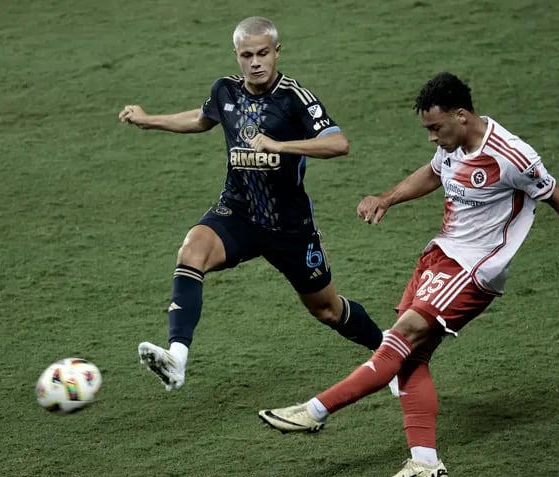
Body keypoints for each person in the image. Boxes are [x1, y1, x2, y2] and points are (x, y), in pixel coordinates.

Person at [258, 72, 559, 477]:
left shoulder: (512, 155)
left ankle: (314, 411)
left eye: (436, 127)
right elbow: (434, 173)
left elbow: (558, 198)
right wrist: (387, 198)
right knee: (411, 360)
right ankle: (424, 463)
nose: (432, 137)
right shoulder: (452, 146)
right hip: (440, 257)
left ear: (461, 115)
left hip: (474, 270)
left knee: (397, 341)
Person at [118, 16, 383, 391]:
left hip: (289, 225)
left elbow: (339, 143)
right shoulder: (225, 90)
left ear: (277, 52)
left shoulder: (295, 98)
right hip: (238, 211)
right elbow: (200, 118)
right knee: (191, 251)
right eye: (247, 55)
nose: (255, 62)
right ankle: (177, 358)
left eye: (263, 53)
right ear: (236, 55)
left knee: (327, 310)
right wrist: (149, 121)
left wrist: (281, 145)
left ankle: (390, 353)